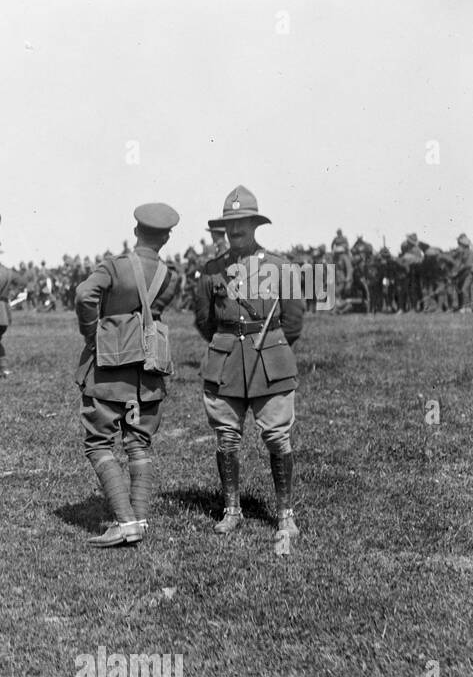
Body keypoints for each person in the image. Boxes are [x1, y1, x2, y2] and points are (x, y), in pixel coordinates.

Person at [193, 187, 304, 541]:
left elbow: (294, 321)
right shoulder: (212, 271)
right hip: (226, 361)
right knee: (227, 436)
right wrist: (228, 342)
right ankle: (231, 510)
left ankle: (285, 514)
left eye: (242, 223)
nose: (235, 230)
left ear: (255, 225)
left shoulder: (279, 267)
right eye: (230, 225)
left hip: (269, 358)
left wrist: (270, 345)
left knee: (276, 435)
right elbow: (204, 321)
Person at [73, 203, 180, 546]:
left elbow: (83, 294)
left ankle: (124, 522)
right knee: (138, 442)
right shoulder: (171, 276)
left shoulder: (115, 267)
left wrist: (94, 332)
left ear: (136, 232)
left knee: (99, 442)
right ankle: (141, 518)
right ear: (166, 238)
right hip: (147, 375)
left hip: (109, 372)